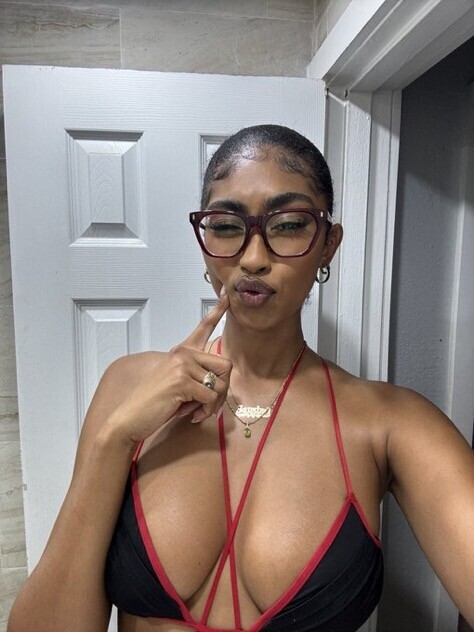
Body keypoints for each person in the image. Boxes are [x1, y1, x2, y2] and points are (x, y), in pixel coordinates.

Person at [7, 125, 474, 632]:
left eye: (288, 224)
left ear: (328, 245)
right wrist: (114, 441)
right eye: (227, 226)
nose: (253, 258)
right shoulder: (128, 385)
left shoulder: (392, 425)